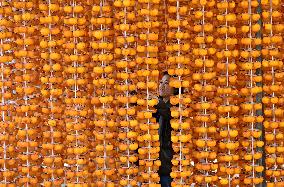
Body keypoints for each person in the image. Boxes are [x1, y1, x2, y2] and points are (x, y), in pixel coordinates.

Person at [152, 71, 181, 187]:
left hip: (168, 165)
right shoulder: (154, 107)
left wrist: (157, 104)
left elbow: (169, 115)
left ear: (175, 89)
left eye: (166, 83)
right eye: (160, 82)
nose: (162, 86)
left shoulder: (178, 108)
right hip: (153, 164)